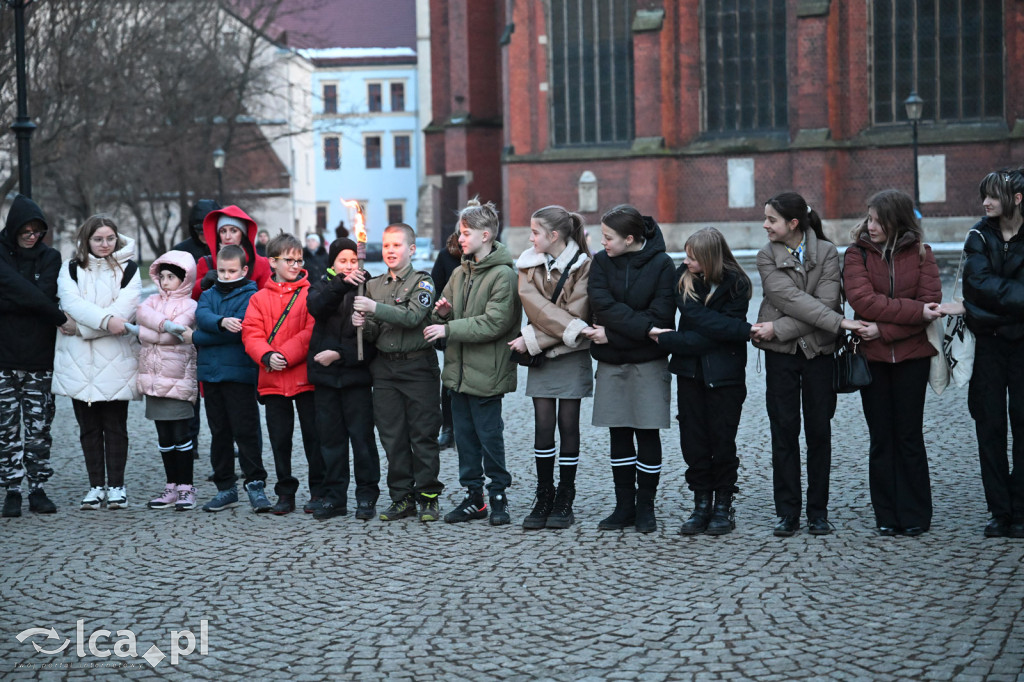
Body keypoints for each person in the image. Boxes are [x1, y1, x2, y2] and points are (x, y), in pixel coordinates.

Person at [751, 192, 865, 537]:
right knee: (783, 432)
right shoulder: (765, 256)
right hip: (781, 357)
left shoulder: (828, 253)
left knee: (819, 432)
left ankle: (818, 512)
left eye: (772, 219)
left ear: (793, 223)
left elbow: (828, 302)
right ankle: (787, 513)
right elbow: (790, 299)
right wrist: (835, 322)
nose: (766, 225)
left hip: (818, 355)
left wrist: (778, 329)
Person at [842, 190, 942, 537]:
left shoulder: (922, 254)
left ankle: (915, 513)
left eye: (877, 220)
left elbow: (931, 304)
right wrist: (915, 313)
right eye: (868, 219)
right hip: (874, 361)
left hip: (912, 358)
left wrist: (883, 329)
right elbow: (863, 301)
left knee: (910, 436)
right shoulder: (857, 255)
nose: (870, 226)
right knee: (882, 438)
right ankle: (886, 514)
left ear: (895, 221)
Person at [649, 227, 752, 536]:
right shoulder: (683, 278)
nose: (687, 260)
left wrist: (674, 341)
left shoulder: (737, 284)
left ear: (709, 258)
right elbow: (716, 328)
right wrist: (733, 331)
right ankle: (701, 504)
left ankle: (723, 505)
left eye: (693, 257)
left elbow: (720, 330)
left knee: (722, 441)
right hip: (690, 374)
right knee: (693, 441)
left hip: (726, 376)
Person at [425, 199, 522, 526]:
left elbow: (495, 323)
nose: (460, 238)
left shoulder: (504, 275)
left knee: (489, 437)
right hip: (458, 373)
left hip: (488, 373)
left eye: (465, 233)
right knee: (464, 438)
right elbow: (453, 310)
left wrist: (448, 326)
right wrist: (443, 312)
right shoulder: (460, 272)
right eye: (459, 232)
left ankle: (498, 496)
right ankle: (473, 497)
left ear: (485, 235)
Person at [584, 205, 675, 534]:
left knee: (647, 432)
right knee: (618, 432)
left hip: (648, 362)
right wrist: (642, 330)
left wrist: (612, 333)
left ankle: (646, 507)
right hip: (613, 362)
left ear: (631, 238)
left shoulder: (663, 265)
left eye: (608, 237)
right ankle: (624, 506)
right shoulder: (601, 262)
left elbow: (662, 316)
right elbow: (601, 305)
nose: (602, 242)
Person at [353, 223, 444, 522]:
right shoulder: (374, 285)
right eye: (387, 245)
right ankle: (401, 497)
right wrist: (361, 322)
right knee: (392, 437)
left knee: (423, 435)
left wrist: (373, 308)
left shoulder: (423, 282)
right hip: (386, 370)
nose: (391, 250)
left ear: (412, 249)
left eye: (397, 245)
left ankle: (428, 496)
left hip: (418, 367)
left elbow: (412, 317)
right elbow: (373, 332)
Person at [511, 205, 593, 530]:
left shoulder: (584, 266)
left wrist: (530, 340)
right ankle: (544, 494)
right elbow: (539, 310)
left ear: (553, 235)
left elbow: (578, 315)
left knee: (568, 426)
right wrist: (556, 334)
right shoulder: (527, 265)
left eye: (534, 232)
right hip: (546, 357)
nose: (529, 238)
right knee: (543, 427)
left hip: (570, 356)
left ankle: (565, 496)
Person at [53, 216, 142, 510]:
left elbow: (124, 312)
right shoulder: (70, 269)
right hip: (79, 361)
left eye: (110, 239)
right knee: (88, 428)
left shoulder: (129, 269)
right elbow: (71, 304)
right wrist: (105, 321)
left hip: (116, 358)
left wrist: (83, 328)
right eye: (98, 239)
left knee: (116, 426)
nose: (105, 245)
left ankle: (116, 486)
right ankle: (95, 486)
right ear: (86, 240)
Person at [955, 168, 1024, 538]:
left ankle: (1022, 509)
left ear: (1016, 198)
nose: (985, 202)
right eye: (984, 196)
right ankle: (1000, 510)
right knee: (990, 428)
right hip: (990, 346)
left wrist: (991, 303)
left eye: (992, 196)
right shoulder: (978, 235)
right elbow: (976, 286)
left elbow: (984, 294)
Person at [182, 244, 270, 513]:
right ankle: (225, 488)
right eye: (221, 271)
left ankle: (255, 484)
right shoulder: (208, 294)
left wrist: (197, 337)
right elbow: (202, 315)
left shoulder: (252, 295)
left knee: (246, 431)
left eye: (232, 271)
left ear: (244, 270)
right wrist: (221, 322)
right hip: (211, 374)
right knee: (219, 432)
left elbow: (240, 332)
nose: (226, 275)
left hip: (240, 374)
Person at [242, 233, 323, 515]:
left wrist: (284, 356)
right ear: (272, 262)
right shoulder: (258, 298)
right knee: (280, 440)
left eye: (299, 259)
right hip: (272, 380)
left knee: (314, 437)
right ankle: (285, 492)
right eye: (289, 259)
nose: (295, 264)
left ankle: (318, 490)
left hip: (303, 377)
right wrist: (266, 355)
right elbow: (251, 333)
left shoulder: (310, 293)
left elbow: (310, 332)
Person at [0, 195, 67, 517]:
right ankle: (12, 489)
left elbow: (41, 295)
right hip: (3, 359)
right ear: (13, 229)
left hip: (40, 359)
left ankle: (37, 487)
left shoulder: (50, 257)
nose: (31, 235)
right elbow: (39, 300)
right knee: (6, 429)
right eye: (25, 230)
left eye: (36, 230)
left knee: (39, 428)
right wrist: (44, 308)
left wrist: (16, 297)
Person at [306, 238, 381, 521]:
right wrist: (342, 283)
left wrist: (339, 354)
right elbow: (317, 308)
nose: (348, 266)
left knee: (362, 441)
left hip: (356, 378)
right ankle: (335, 497)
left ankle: (366, 495)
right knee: (331, 442)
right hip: (325, 380)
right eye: (342, 261)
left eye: (352, 261)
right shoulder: (322, 286)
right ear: (333, 264)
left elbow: (372, 340)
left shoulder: (369, 288)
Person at [130, 251, 201, 511]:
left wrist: (147, 332)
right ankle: (171, 486)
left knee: (182, 435)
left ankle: (186, 487)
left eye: (171, 277)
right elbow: (141, 314)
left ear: (183, 279)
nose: (166, 281)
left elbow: (178, 335)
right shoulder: (151, 300)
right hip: (154, 380)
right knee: (164, 436)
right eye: (162, 277)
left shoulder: (191, 305)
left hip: (179, 379)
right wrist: (163, 325)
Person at [192, 205, 271, 300]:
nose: (227, 236)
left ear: (243, 234)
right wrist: (202, 284)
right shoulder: (205, 263)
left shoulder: (260, 264)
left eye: (234, 231)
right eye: (223, 231)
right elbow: (188, 298)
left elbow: (268, 299)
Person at [430, 231, 463, 449]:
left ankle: (472, 429)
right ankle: (448, 428)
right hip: (450, 325)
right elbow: (435, 289)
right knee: (450, 379)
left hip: (477, 327)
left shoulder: (487, 255)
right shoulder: (446, 256)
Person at [173, 198, 220, 265]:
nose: (204, 236)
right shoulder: (180, 251)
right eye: (200, 232)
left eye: (209, 231)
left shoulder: (225, 248)